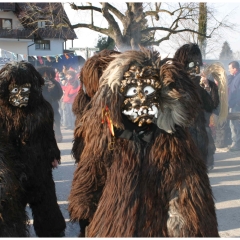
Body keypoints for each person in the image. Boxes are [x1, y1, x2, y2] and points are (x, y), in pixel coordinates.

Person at [68, 48, 219, 237]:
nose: (141, 99)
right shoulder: (109, 132)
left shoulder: (172, 139)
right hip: (116, 219)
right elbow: (93, 168)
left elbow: (188, 184)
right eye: (133, 91)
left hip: (157, 222)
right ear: (120, 96)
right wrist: (85, 206)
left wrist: (184, 222)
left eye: (148, 91)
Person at [0, 61, 66, 237]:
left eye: (25, 89)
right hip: (11, 171)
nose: (20, 95)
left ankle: (52, 233)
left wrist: (53, 153)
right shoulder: (1, 111)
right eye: (15, 90)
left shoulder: (42, 108)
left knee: (47, 209)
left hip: (39, 167)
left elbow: (48, 135)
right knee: (10, 215)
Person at [174, 43, 226, 171]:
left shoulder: (203, 83)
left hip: (200, 131)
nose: (195, 68)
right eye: (192, 64)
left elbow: (211, 105)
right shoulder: (175, 81)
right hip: (180, 132)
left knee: (199, 167)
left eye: (197, 64)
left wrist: (207, 87)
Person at [37, 66, 63, 143]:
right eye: (44, 75)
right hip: (42, 106)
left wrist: (51, 89)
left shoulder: (55, 83)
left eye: (47, 74)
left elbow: (59, 94)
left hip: (53, 105)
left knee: (56, 119)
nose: (46, 76)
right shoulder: (38, 84)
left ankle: (58, 134)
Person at [227, 61, 240, 151]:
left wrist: (235, 103)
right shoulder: (234, 77)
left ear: (235, 69)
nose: (229, 70)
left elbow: (237, 92)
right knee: (233, 125)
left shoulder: (239, 78)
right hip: (233, 104)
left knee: (235, 125)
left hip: (236, 105)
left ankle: (236, 144)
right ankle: (235, 143)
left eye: (230, 69)